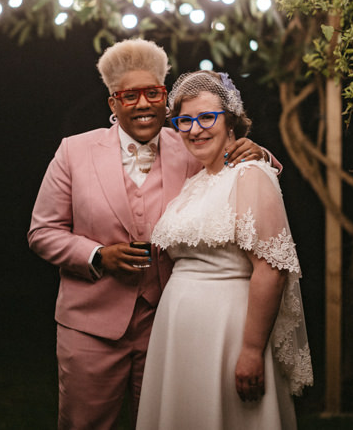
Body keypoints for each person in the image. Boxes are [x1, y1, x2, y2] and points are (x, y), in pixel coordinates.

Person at [28, 39, 274, 430]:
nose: (142, 104)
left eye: (152, 93)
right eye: (129, 96)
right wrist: (97, 255)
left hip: (166, 324)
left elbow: (244, 177)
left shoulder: (193, 144)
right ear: (113, 103)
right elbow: (42, 231)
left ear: (165, 99)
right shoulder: (74, 152)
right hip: (91, 324)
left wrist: (257, 152)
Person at [135, 70, 313, 430]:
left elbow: (271, 269)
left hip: (228, 332)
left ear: (230, 120)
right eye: (184, 120)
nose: (195, 129)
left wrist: (250, 350)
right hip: (179, 336)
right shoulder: (195, 182)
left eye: (206, 117)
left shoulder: (250, 174)